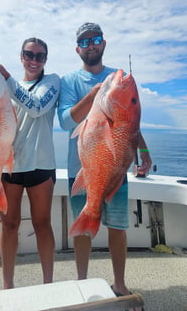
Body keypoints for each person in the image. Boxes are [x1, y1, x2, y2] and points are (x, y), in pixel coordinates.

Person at [57, 23, 151, 310]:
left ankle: (119, 283)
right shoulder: (70, 81)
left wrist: (144, 151)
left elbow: (129, 124)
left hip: (115, 170)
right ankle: (83, 281)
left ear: (103, 43)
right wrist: (95, 94)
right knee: (83, 229)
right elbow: (65, 121)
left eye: (95, 39)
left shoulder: (115, 78)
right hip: (83, 168)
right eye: (85, 42)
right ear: (77, 49)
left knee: (118, 227)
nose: (91, 45)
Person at [0, 37, 60, 289]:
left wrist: (8, 79)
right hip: (9, 165)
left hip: (41, 165)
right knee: (8, 226)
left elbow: (35, 107)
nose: (34, 60)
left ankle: (48, 284)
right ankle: (7, 286)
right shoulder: (5, 87)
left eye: (40, 56)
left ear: (45, 59)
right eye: (29, 54)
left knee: (42, 225)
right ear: (21, 56)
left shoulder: (52, 82)